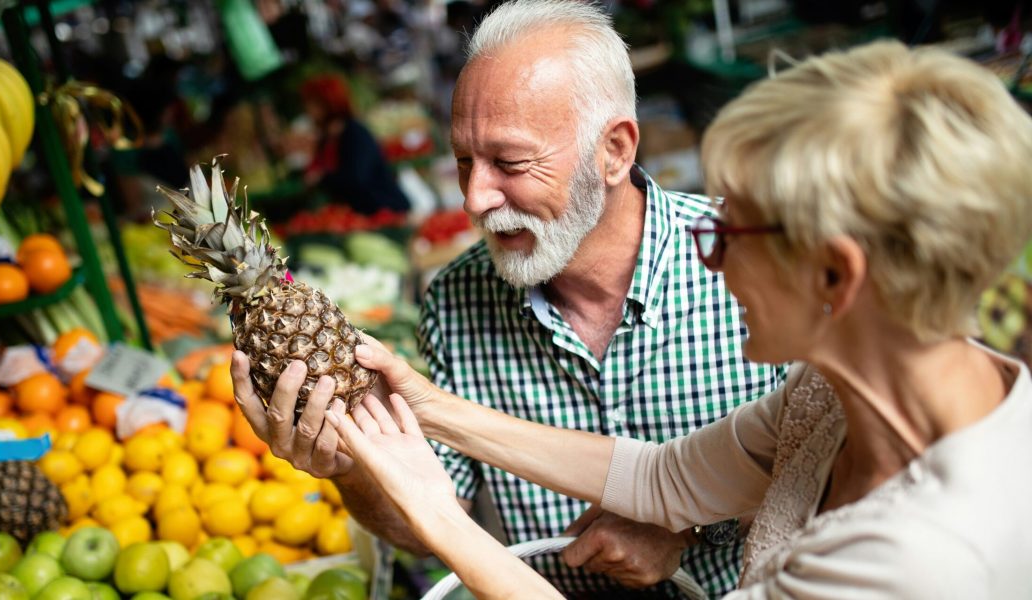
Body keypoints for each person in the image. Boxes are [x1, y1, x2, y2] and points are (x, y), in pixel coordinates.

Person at [322, 39, 1032, 598]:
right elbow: (662, 478)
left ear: (834, 276)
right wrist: (432, 409)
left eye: (730, 234)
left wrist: (440, 517)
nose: (711, 259)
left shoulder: (913, 557)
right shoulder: (831, 397)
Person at [233, 1, 784, 596]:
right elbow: (438, 519)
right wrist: (353, 470)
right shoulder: (454, 301)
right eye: (464, 161)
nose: (474, 199)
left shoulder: (758, 267)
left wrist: (691, 530)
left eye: (510, 162)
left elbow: (823, 469)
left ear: (616, 151)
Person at [298, 73, 411, 215]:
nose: (308, 110)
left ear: (328, 103)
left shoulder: (355, 134)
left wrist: (322, 178)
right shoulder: (327, 138)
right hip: (358, 214)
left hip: (384, 210)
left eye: (312, 103)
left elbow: (356, 178)